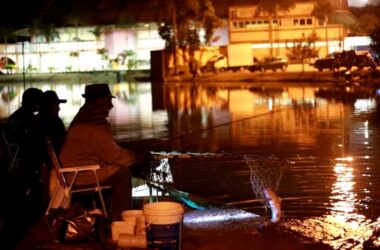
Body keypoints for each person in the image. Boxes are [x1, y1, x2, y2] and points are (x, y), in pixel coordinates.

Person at [59, 83, 146, 220]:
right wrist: (136, 156)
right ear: (97, 101)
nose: (111, 106)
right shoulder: (94, 123)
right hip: (80, 174)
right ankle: (120, 218)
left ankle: (112, 210)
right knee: (122, 173)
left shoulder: (84, 115)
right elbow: (115, 156)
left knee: (120, 168)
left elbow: (104, 148)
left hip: (73, 170)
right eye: (108, 102)